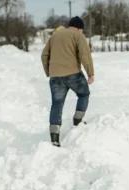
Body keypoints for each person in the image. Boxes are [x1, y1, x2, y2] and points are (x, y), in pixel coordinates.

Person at [41, 16, 95, 147]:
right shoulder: (77, 35)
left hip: (55, 77)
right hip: (73, 74)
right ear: (79, 28)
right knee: (84, 94)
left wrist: (50, 72)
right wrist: (90, 73)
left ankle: (54, 137)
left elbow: (44, 55)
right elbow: (85, 54)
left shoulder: (54, 36)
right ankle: (78, 121)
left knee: (57, 104)